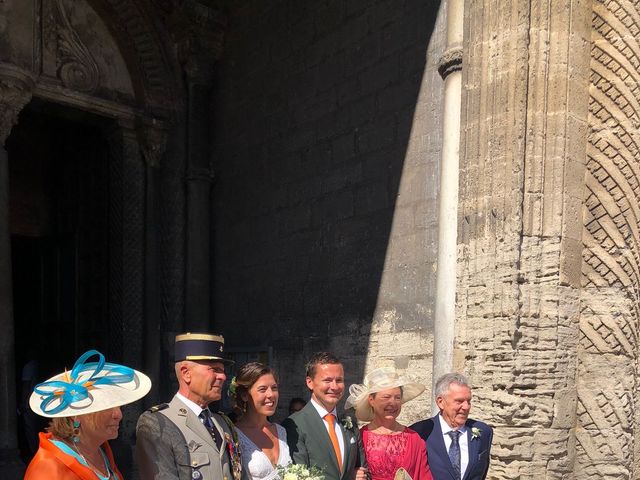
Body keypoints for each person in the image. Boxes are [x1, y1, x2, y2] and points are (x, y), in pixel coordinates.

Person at [24, 349, 151, 480]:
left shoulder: (100, 450)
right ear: (76, 415)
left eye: (119, 406)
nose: (118, 415)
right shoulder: (47, 470)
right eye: (106, 407)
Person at [135, 332, 245, 480]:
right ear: (186, 373)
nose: (223, 377)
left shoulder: (223, 423)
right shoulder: (158, 423)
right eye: (215, 370)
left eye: (223, 371)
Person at [281, 352, 367, 480]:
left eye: (339, 380)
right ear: (310, 382)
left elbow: (363, 472)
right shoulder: (294, 425)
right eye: (327, 380)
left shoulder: (349, 424)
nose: (334, 386)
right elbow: (299, 476)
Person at [345, 367, 432, 480]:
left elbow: (424, 476)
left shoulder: (414, 439)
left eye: (397, 398)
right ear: (371, 400)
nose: (393, 403)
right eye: (386, 397)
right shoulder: (359, 438)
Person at [410, 373, 493, 480]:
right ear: (441, 402)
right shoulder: (420, 433)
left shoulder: (483, 431)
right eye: (459, 401)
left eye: (468, 401)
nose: (466, 407)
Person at [232, 362, 291, 480]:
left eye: (274, 388)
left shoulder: (281, 431)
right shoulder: (234, 435)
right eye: (262, 389)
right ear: (244, 395)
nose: (271, 394)